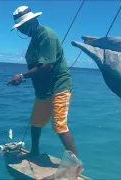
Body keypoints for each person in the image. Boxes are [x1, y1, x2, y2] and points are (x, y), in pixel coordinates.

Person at [7, 6, 78, 158]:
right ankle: (34, 152)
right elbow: (36, 67)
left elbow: (46, 66)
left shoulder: (47, 36)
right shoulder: (34, 40)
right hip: (43, 90)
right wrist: (25, 79)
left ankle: (75, 166)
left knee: (59, 126)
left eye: (23, 26)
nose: (22, 31)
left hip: (59, 86)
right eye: (20, 28)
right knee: (35, 122)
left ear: (32, 21)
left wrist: (21, 76)